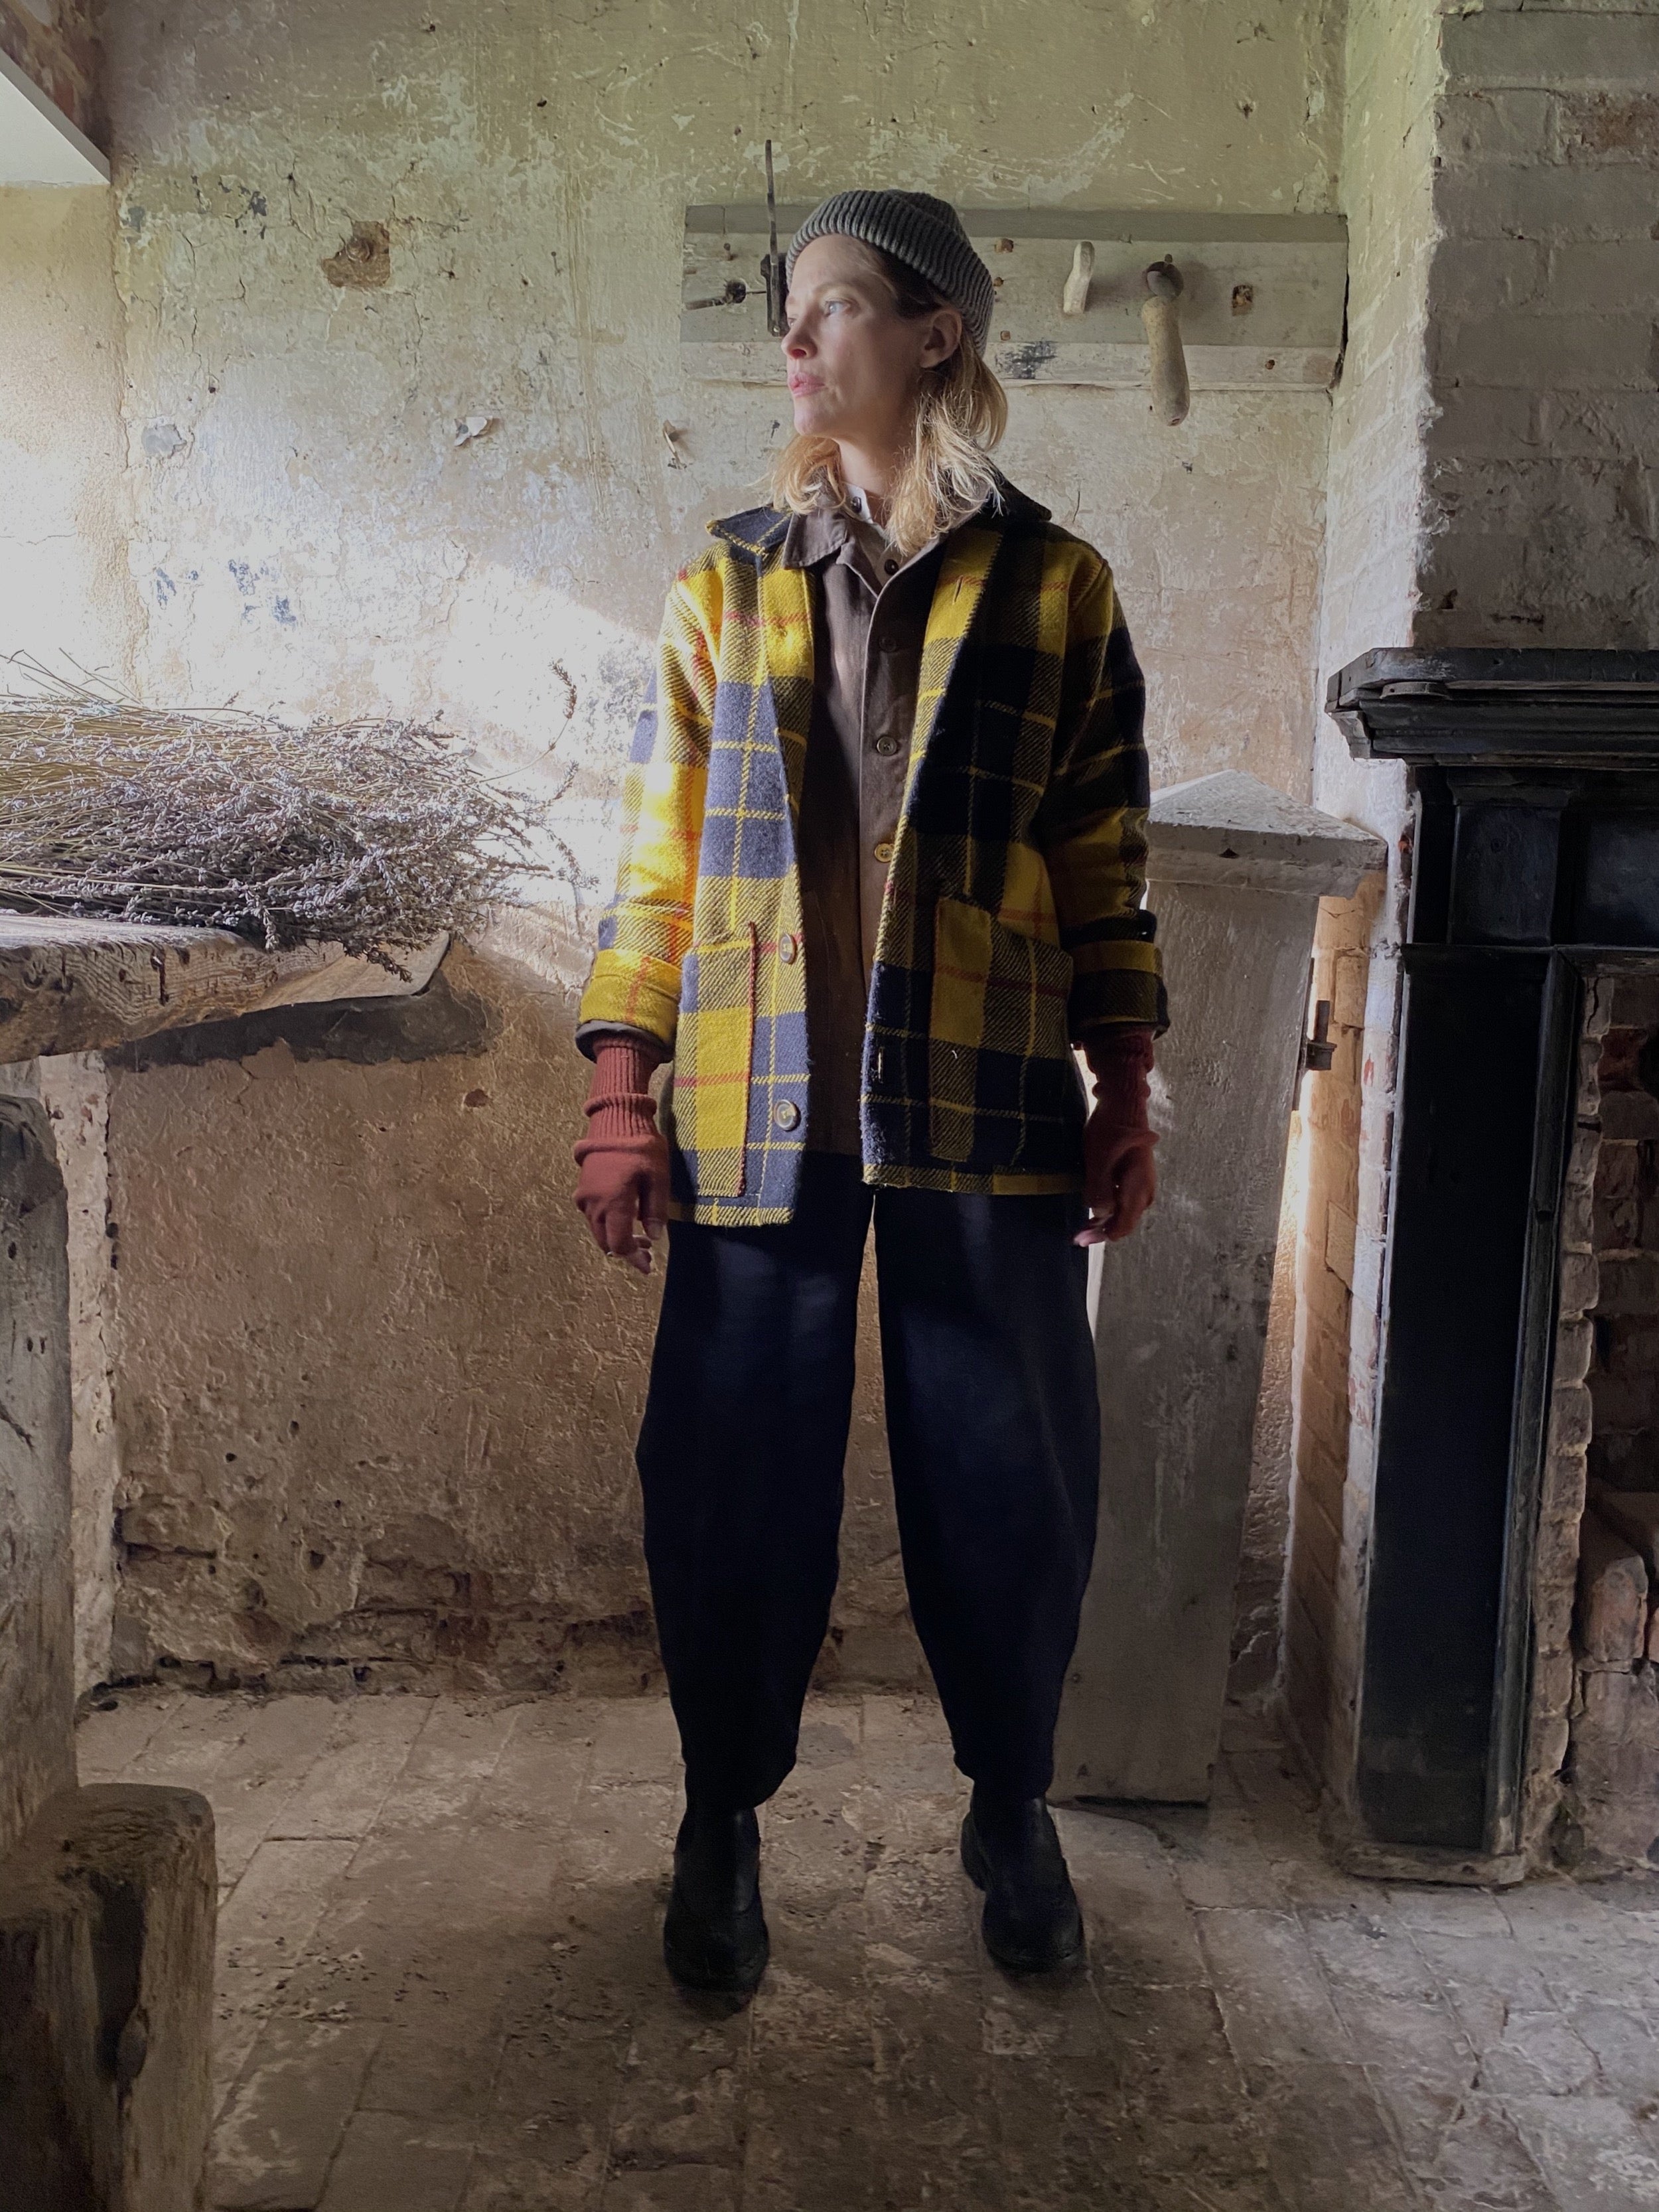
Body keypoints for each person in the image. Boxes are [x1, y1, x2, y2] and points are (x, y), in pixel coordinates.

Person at [573, 188, 1167, 1994]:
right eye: (790, 313)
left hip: (981, 1105)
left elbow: (1101, 852)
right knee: (728, 1479)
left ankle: (1010, 1803)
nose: (797, 342)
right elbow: (660, 862)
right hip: (757, 1115)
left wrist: (1125, 1080)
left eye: (832, 308)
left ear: (935, 334)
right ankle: (718, 1820)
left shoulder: (1055, 586)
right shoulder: (722, 580)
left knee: (1012, 1479)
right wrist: (620, 1088)